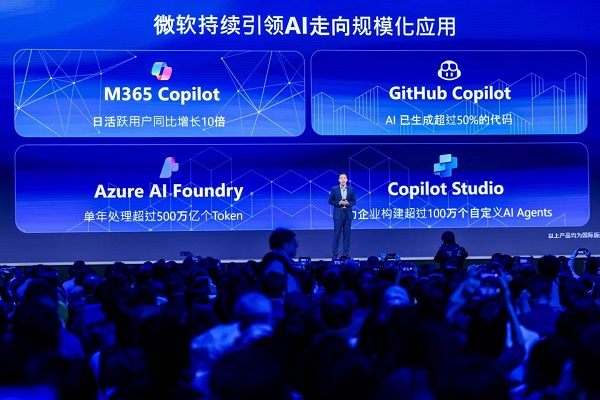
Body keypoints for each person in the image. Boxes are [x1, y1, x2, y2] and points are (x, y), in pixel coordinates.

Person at [329, 172, 356, 259]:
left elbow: (354, 201)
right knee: (336, 235)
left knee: (347, 236)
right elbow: (330, 201)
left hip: (348, 214)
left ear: (347, 179)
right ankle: (335, 254)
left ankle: (345, 254)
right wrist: (339, 202)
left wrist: (348, 203)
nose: (343, 179)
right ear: (338, 180)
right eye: (341, 178)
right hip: (338, 215)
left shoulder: (351, 189)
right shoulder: (334, 189)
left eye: (344, 178)